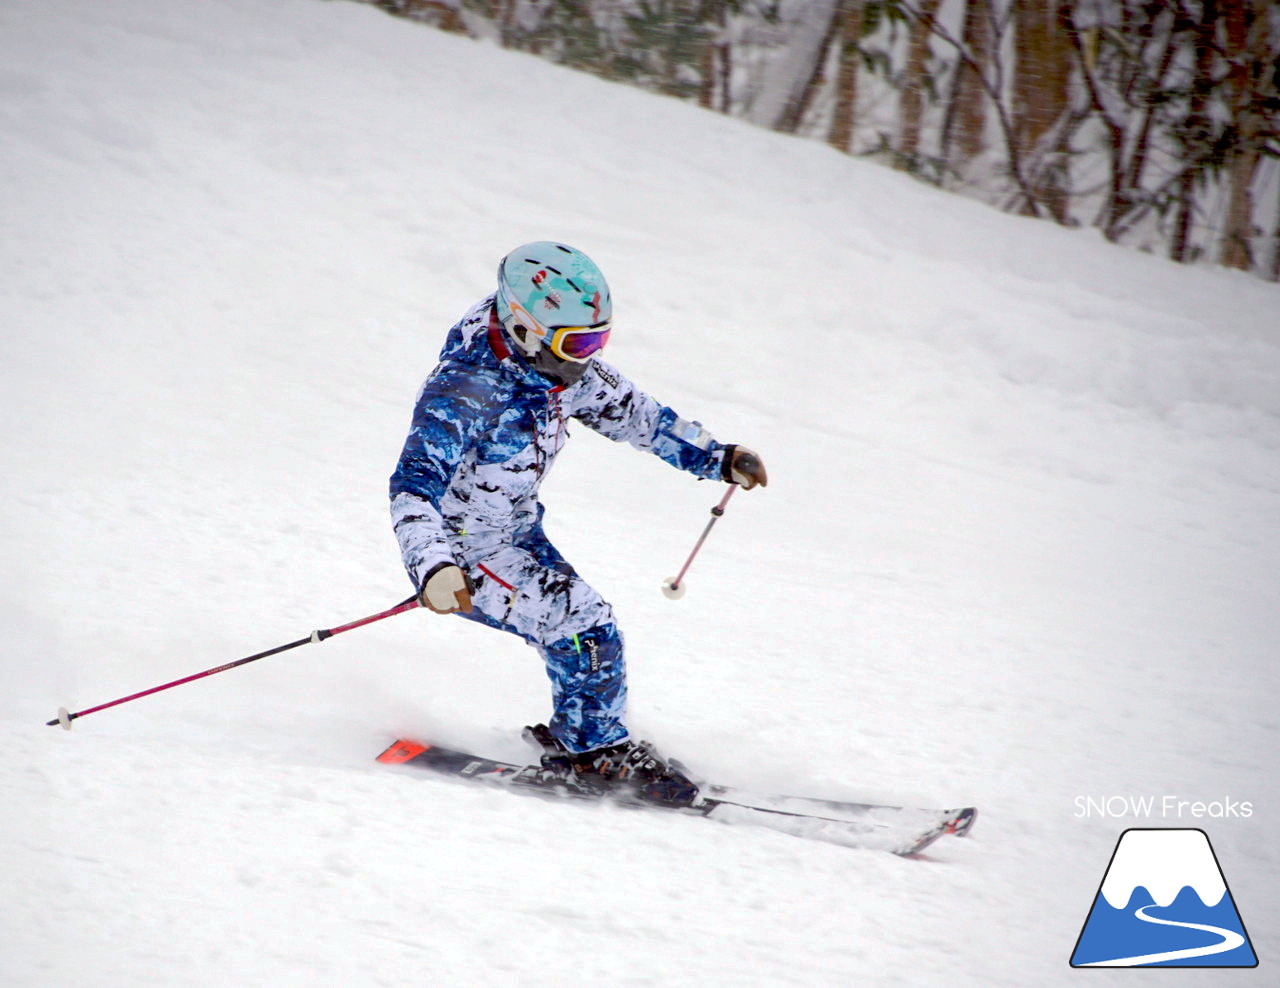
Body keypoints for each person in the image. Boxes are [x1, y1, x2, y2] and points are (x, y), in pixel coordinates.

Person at [389, 241, 766, 804]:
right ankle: (595, 755)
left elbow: (633, 413)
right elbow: (412, 488)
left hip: (515, 531)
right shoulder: (465, 389)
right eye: (578, 342)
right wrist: (434, 567)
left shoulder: (558, 367)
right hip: (461, 554)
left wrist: (714, 456)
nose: (588, 356)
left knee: (586, 631)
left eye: (598, 339)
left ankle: (590, 740)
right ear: (525, 327)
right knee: (582, 624)